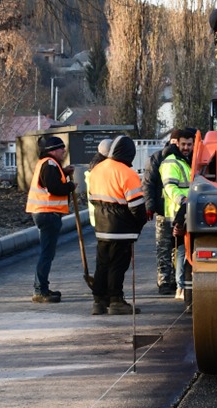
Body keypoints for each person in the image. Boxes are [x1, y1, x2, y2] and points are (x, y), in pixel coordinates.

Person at [85, 135, 146, 315]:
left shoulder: (97, 170)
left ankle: (99, 301)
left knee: (102, 264)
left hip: (101, 226)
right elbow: (136, 206)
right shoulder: (127, 173)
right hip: (121, 227)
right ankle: (116, 300)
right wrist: (139, 223)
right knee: (118, 265)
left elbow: (92, 198)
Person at [25, 134, 75, 303]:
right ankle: (40, 290)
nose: (64, 151)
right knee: (47, 253)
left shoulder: (48, 164)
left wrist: (65, 173)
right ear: (52, 150)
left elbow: (52, 181)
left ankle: (42, 287)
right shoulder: (50, 164)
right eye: (61, 148)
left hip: (45, 212)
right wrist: (70, 186)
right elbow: (54, 188)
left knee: (47, 252)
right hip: (47, 213)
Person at [143, 130, 181, 295]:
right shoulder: (158, 158)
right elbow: (148, 183)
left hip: (178, 210)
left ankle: (173, 278)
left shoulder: (182, 159)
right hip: (163, 210)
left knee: (176, 246)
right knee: (164, 246)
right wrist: (150, 205)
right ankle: (164, 280)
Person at [159, 128, 195, 300]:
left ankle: (183, 286)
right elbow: (170, 187)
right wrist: (184, 201)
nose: (186, 147)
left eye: (189, 144)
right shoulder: (172, 161)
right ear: (177, 143)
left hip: (189, 210)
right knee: (181, 250)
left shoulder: (186, 160)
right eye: (184, 144)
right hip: (178, 212)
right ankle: (180, 288)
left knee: (185, 249)